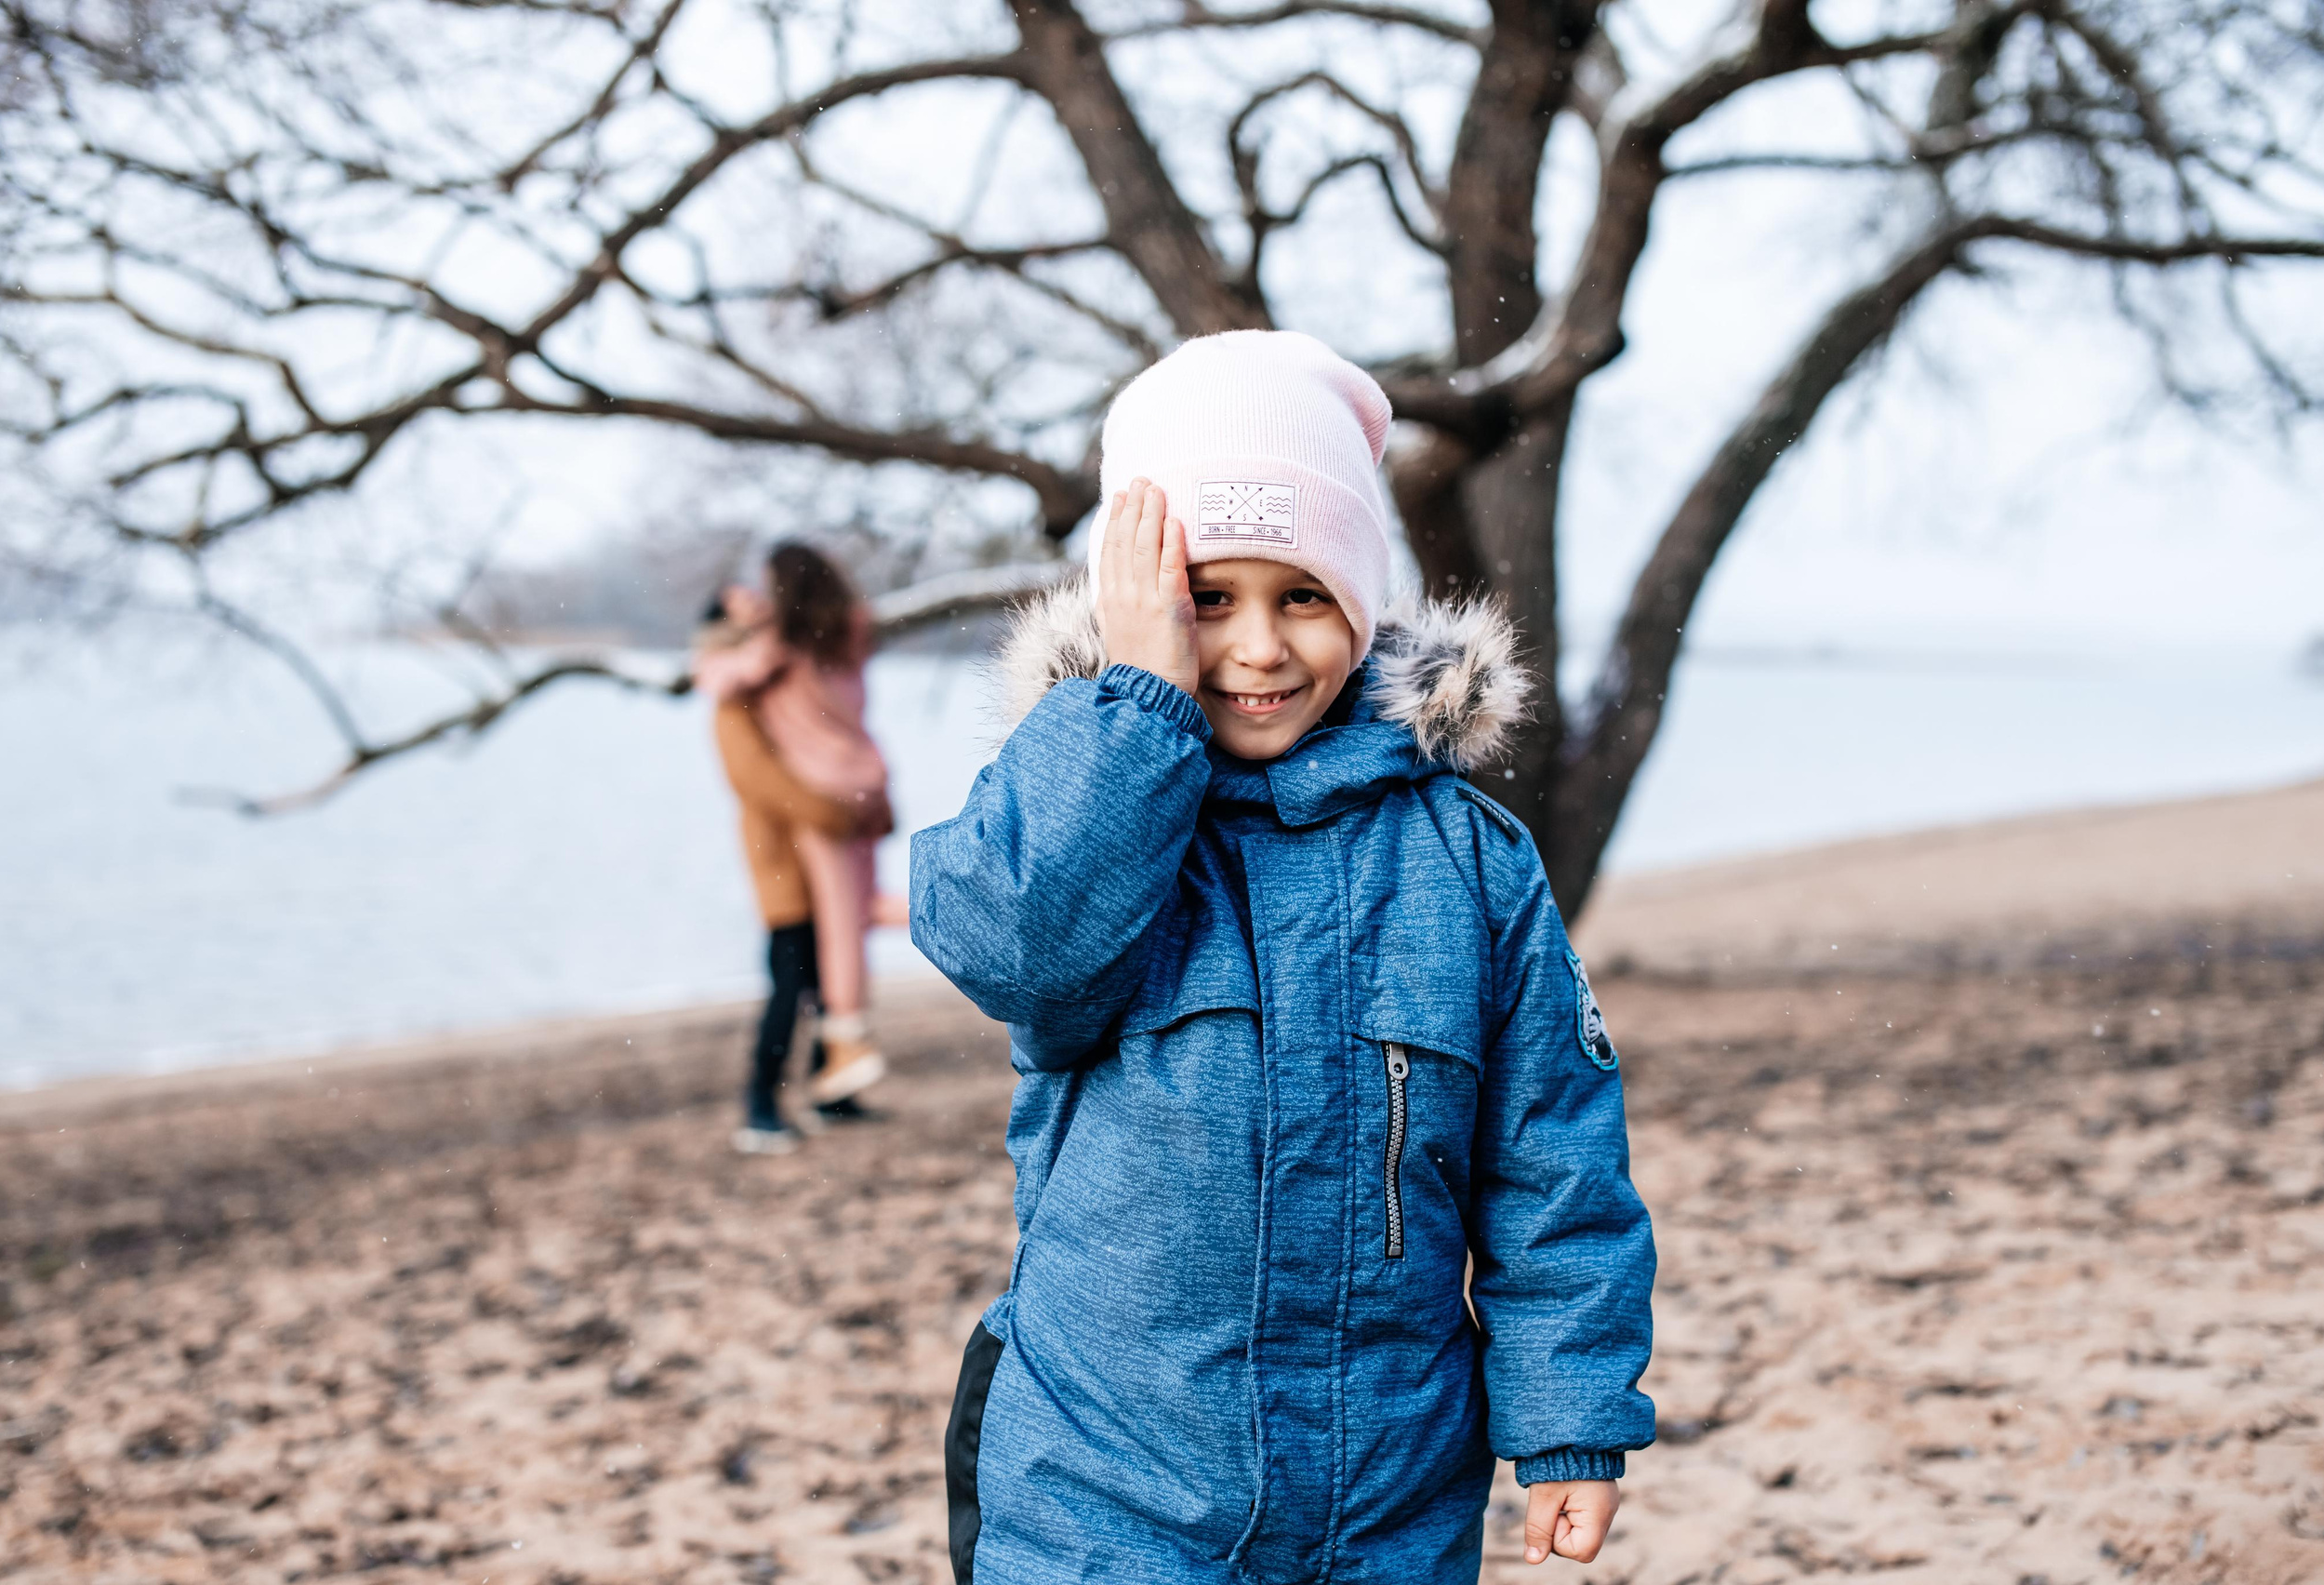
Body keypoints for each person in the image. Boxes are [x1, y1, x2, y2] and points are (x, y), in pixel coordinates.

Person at [910, 331, 1655, 1584]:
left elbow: (1551, 1154)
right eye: (1208, 600)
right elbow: (1011, 944)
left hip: (1384, 1499)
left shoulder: (1465, 857)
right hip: (1105, 1493)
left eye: (1301, 596)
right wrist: (1141, 700)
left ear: (1359, 607)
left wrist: (1570, 1417)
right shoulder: (1089, 815)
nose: (1257, 648)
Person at [696, 555, 895, 1152]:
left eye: (760, 592)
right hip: (782, 853)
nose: (757, 600)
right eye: (742, 600)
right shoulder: (738, 696)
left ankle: (830, 1093)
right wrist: (831, 811)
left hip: (816, 835)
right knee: (791, 977)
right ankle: (761, 1106)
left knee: (824, 959)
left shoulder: (786, 661)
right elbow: (755, 779)